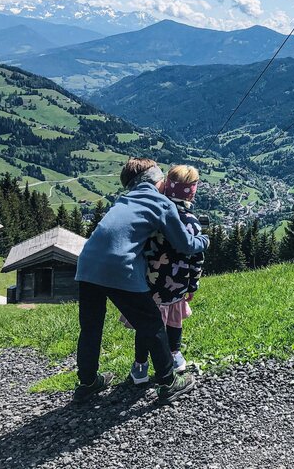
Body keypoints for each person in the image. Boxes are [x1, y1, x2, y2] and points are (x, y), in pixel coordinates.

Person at [73, 158, 209, 405]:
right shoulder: (160, 202)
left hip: (87, 266)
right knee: (152, 323)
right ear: (158, 181)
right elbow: (185, 244)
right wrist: (205, 241)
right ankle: (168, 382)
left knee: (91, 327)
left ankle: (87, 382)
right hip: (118, 267)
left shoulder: (123, 201)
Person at [127, 164, 205, 384]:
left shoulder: (153, 215)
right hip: (177, 284)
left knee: (146, 326)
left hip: (148, 284)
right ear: (192, 192)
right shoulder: (191, 222)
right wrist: (192, 286)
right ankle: (175, 356)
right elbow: (196, 259)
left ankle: (140, 366)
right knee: (174, 321)